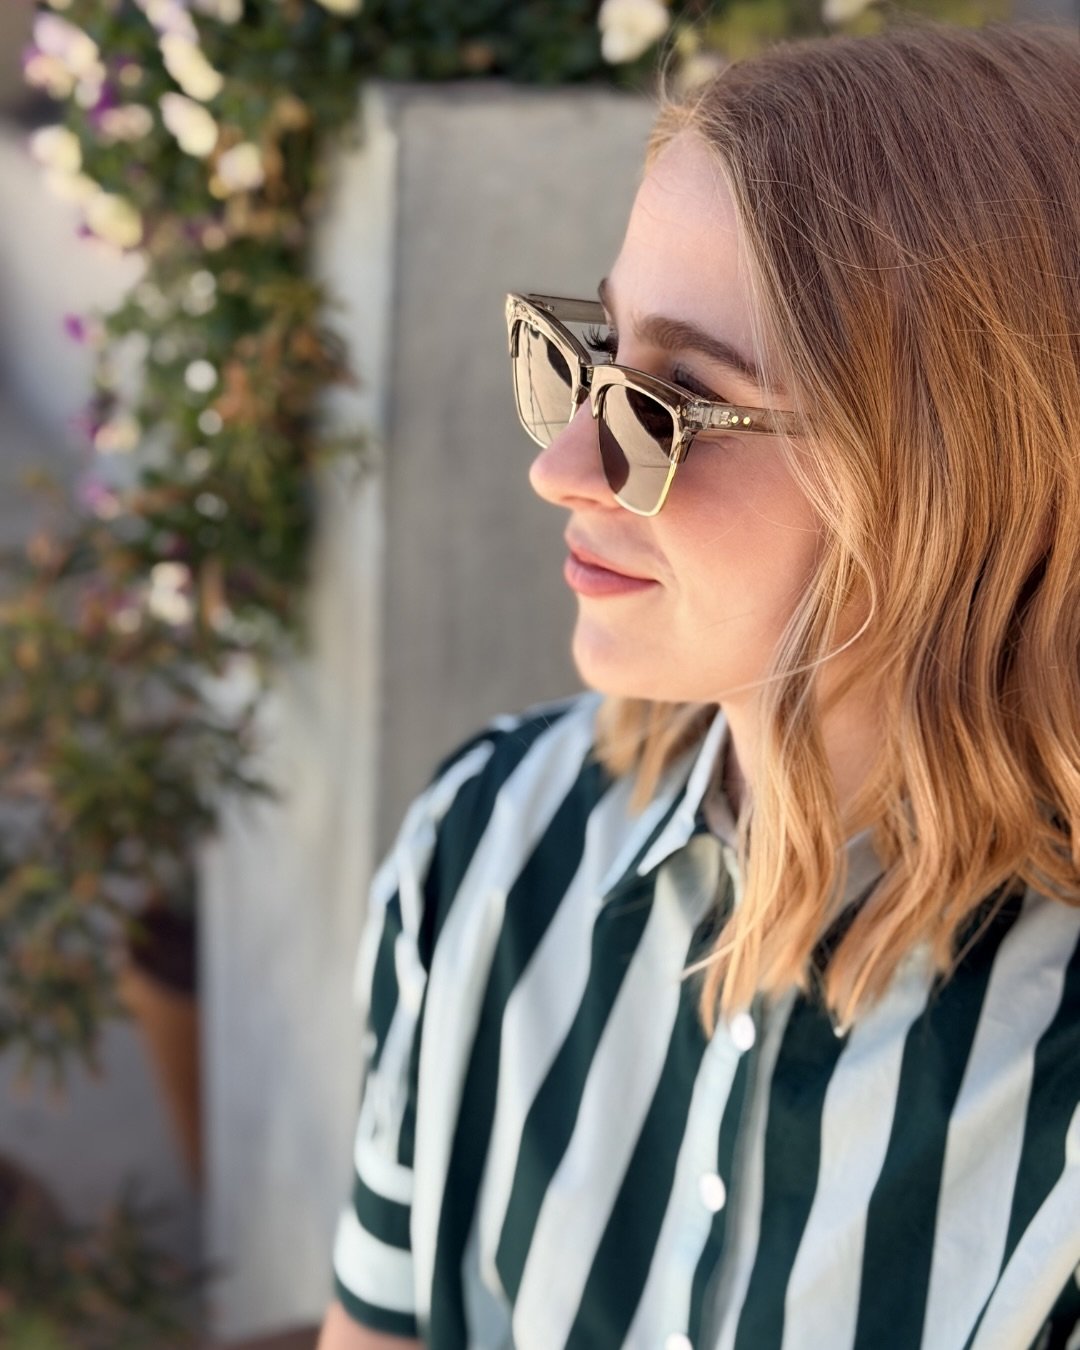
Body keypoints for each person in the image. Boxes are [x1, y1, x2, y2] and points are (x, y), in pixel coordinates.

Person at [317, 22, 1080, 1350]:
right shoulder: (487, 848)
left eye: (672, 401)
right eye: (593, 352)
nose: (564, 462)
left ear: (957, 482)